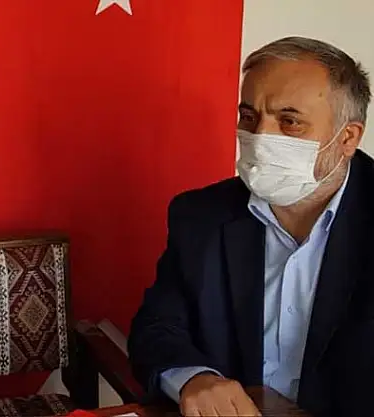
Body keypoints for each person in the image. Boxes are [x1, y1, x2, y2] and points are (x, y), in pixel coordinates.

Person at [128, 36, 374, 417]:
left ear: (347, 138)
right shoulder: (200, 217)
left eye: (289, 121)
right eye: (249, 116)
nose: (260, 138)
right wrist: (193, 378)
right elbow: (157, 328)